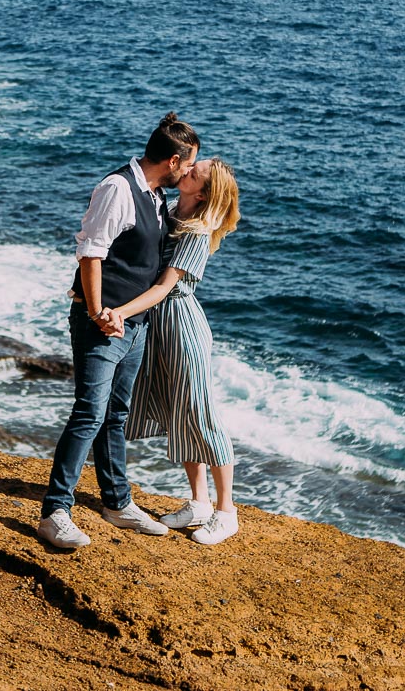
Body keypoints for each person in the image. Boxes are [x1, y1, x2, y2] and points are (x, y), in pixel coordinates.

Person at [37, 113, 200, 550]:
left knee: (116, 414)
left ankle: (117, 502)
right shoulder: (118, 188)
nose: (187, 172)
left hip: (133, 323)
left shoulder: (152, 194)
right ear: (172, 160)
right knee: (90, 412)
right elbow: (90, 254)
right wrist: (97, 313)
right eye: (188, 165)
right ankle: (55, 511)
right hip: (102, 323)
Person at [117, 157, 242, 545]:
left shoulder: (198, 231)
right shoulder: (169, 211)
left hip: (181, 322)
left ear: (202, 192)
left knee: (201, 414)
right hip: (158, 325)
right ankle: (199, 503)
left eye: (193, 172)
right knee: (178, 412)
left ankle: (227, 512)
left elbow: (163, 287)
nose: (184, 169)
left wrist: (117, 311)